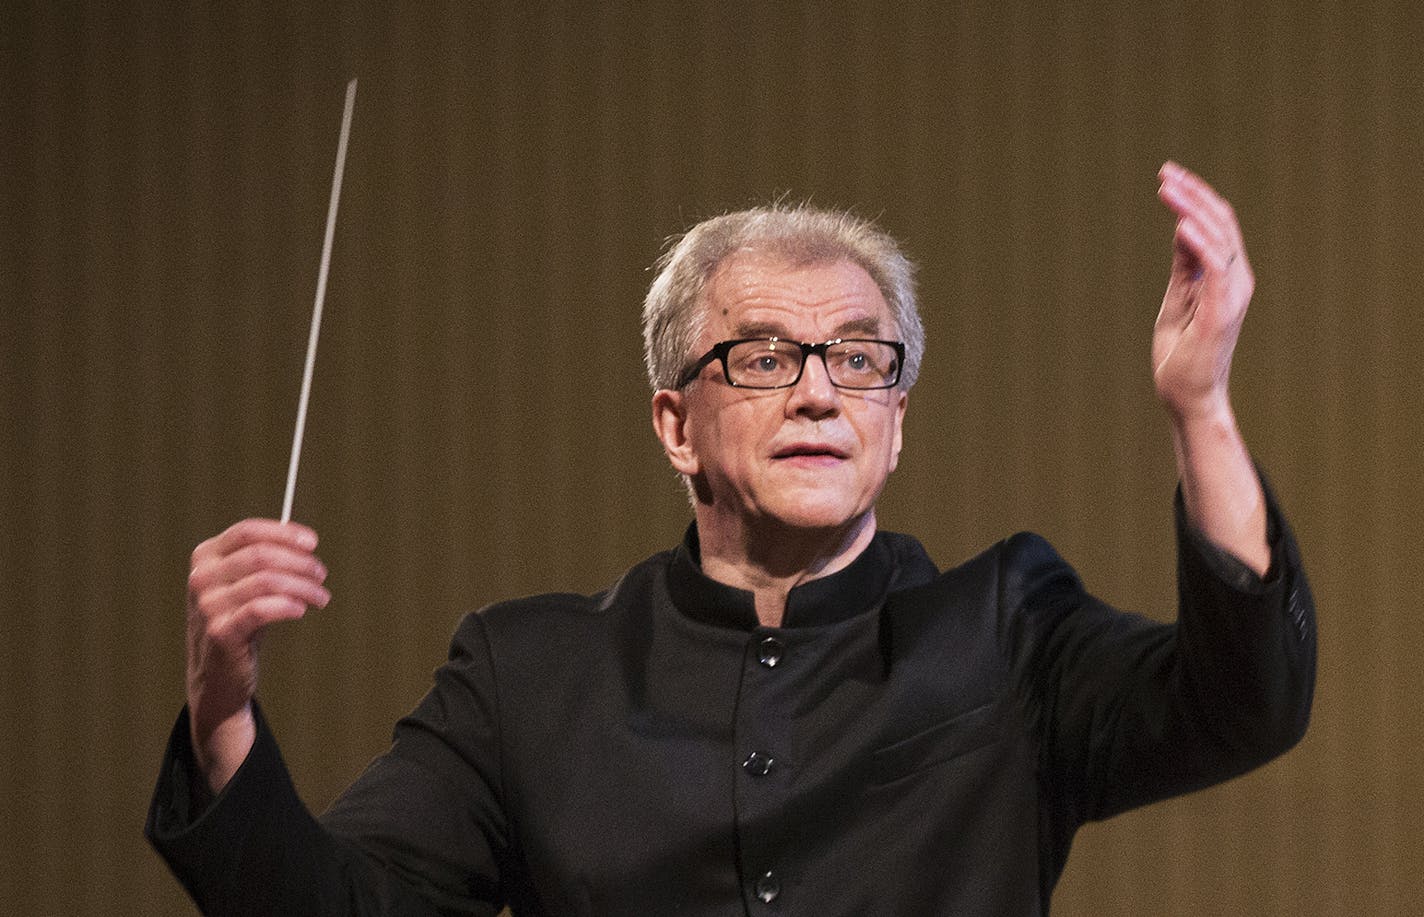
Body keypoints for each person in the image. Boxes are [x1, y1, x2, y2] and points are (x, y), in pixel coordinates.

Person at [147, 162, 1316, 915]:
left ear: (893, 421)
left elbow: (1244, 698)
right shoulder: (528, 675)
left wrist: (1197, 406)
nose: (818, 392)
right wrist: (223, 711)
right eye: (763, 356)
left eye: (859, 359)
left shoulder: (1006, 627)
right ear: (675, 422)